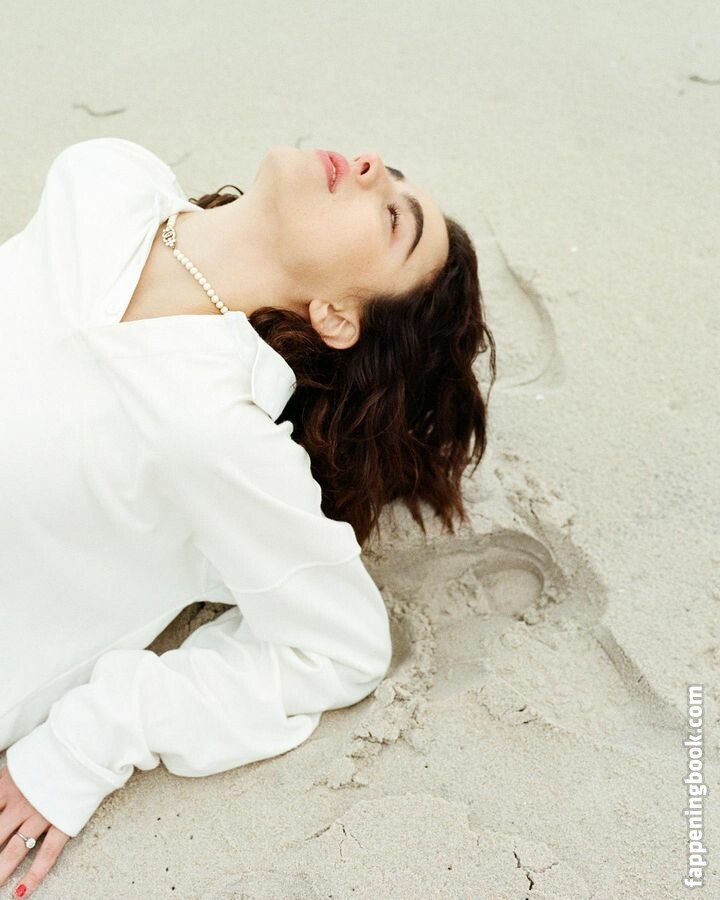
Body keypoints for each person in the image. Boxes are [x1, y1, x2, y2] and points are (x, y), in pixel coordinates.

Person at [0, 138, 495, 895]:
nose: (368, 165)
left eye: (395, 219)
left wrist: (87, 741)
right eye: (388, 173)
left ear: (337, 315)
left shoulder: (216, 432)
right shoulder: (105, 178)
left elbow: (340, 649)